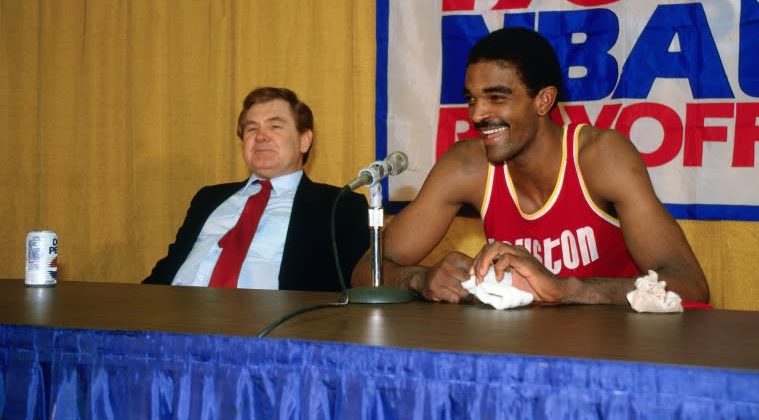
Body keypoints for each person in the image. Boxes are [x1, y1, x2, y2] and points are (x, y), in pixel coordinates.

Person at [352, 27, 709, 305]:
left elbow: (689, 285)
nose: (477, 114)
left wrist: (567, 290)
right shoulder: (466, 166)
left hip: (613, 357)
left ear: (543, 101)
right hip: (518, 358)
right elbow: (367, 270)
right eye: (471, 99)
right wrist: (420, 278)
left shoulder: (601, 157)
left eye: (496, 98)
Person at [144, 87, 369, 291]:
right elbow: (169, 266)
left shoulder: (340, 205)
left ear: (304, 140)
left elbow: (354, 285)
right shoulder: (208, 198)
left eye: (275, 126)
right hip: (171, 314)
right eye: (251, 129)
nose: (260, 136)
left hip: (268, 328)